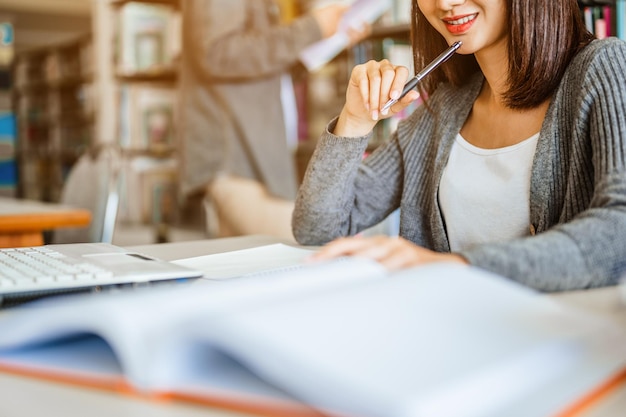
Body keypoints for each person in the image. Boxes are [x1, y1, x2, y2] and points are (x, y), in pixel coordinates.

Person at [292, 0, 626, 291]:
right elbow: (317, 228)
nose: (446, 3)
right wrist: (354, 119)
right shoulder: (442, 110)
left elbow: (619, 231)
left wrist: (458, 268)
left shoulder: (603, 67)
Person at [177, 0, 368, 239]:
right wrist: (313, 28)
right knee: (306, 247)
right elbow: (217, 53)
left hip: (254, 154)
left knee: (251, 266)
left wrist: (328, 39)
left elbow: (255, 67)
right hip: (236, 156)